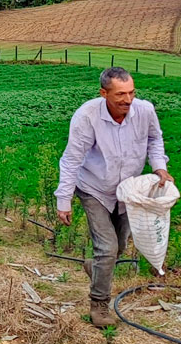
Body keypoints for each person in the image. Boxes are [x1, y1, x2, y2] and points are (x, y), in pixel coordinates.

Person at [55, 66, 173, 328]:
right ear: (104, 93)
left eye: (131, 92)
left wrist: (159, 166)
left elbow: (156, 140)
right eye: (120, 94)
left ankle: (97, 267)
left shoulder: (145, 111)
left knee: (117, 248)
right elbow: (72, 158)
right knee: (107, 249)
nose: (127, 100)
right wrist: (64, 200)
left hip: (129, 191)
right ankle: (99, 306)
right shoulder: (87, 116)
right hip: (95, 187)